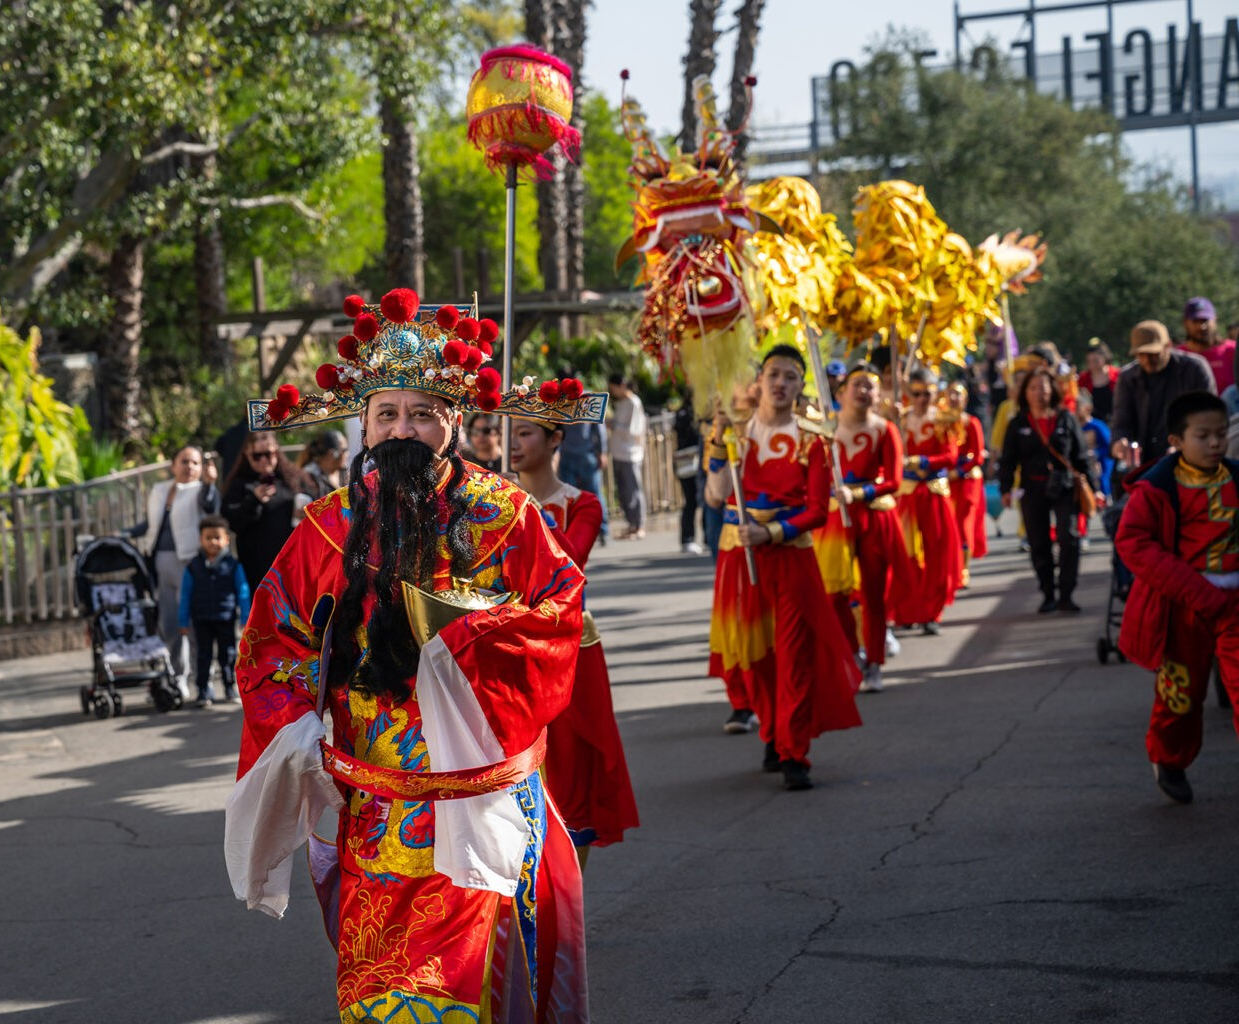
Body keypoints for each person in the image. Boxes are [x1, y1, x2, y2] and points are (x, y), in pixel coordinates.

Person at [225, 289, 597, 1022]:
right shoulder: (328, 528)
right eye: (387, 414)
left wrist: (471, 638)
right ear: (362, 424)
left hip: (482, 801)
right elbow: (271, 644)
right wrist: (300, 726)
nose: (404, 429)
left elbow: (562, 612)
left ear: (453, 423)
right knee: (383, 992)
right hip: (377, 809)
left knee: (474, 991)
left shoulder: (508, 516)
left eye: (422, 413)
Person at [705, 344, 862, 790]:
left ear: (800, 385)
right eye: (773, 374)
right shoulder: (735, 431)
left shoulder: (813, 438)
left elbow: (817, 510)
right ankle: (772, 734)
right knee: (754, 658)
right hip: (740, 558)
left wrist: (772, 533)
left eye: (790, 376)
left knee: (793, 656)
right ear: (759, 382)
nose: (779, 383)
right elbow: (717, 495)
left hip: (789, 558)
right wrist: (717, 445)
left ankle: (795, 752)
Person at [509, 415, 639, 857]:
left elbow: (569, 560)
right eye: (505, 431)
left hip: (571, 651)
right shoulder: (489, 504)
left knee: (572, 776)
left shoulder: (582, 504)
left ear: (555, 439)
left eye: (524, 432)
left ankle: (566, 912)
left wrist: (524, 514)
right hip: (509, 651)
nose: (512, 441)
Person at [1115, 391, 1239, 804]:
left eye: (1221, 434)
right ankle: (1169, 759)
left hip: (1235, 608)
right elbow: (1134, 544)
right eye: (1203, 436)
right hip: (1183, 608)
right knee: (1180, 698)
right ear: (1176, 440)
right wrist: (1198, 592)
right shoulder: (1156, 489)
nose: (1216, 443)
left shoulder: (1236, 477)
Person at [814, 365, 913, 693]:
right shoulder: (824, 431)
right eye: (857, 385)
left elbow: (894, 481)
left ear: (878, 394)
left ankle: (874, 661)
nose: (864, 391)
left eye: (870, 386)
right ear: (841, 392)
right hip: (836, 520)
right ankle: (850, 653)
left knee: (873, 593)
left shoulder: (885, 430)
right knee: (835, 594)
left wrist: (859, 493)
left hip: (874, 517)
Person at [998, 367, 1094, 614]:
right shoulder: (1018, 423)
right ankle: (1048, 593)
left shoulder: (1066, 418)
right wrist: (1006, 488)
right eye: (1033, 388)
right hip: (1033, 488)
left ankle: (1067, 593)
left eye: (1043, 387)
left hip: (1064, 486)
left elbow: (1081, 456)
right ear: (1024, 393)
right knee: (1038, 542)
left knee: (1069, 537)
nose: (1039, 392)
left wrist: (1094, 488)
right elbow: (1008, 459)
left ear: (1052, 390)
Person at [137, 444, 220, 695]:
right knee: (170, 623)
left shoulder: (200, 490)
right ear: (173, 465)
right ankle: (178, 678)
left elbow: (210, 508)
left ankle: (203, 679)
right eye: (184, 461)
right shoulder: (160, 489)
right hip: (161, 561)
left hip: (189, 561)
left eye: (195, 462)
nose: (189, 467)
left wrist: (210, 484)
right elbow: (151, 524)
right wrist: (124, 534)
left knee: (193, 623)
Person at [891, 369, 962, 634]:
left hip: (933, 494)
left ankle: (932, 611)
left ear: (936, 393)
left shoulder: (944, 421)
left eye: (927, 393)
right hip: (907, 496)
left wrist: (922, 461)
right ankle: (907, 610)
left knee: (937, 553)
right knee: (906, 554)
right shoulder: (899, 419)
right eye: (917, 393)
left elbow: (951, 457)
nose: (921, 399)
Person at [1111, 319, 1216, 467]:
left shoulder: (1194, 370)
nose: (1147, 360)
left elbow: (1209, 418)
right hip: (1145, 464)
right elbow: (1121, 421)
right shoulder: (1128, 378)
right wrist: (1119, 442)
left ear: (1168, 346)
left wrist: (1185, 446)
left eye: (1153, 354)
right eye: (1141, 354)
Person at [221, 432, 314, 591]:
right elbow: (232, 521)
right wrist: (253, 500)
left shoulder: (293, 479)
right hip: (257, 569)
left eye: (268, 454)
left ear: (276, 452)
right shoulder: (239, 485)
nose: (263, 460)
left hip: (292, 563)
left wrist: (307, 513)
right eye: (257, 456)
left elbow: (316, 503)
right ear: (248, 456)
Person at [177, 514, 250, 708]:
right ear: (201, 540)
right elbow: (185, 595)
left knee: (228, 655)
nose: (213, 542)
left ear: (226, 539)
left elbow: (243, 592)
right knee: (203, 656)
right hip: (201, 619)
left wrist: (245, 617)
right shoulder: (193, 567)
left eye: (217, 537)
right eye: (208, 538)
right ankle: (203, 690)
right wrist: (183, 621)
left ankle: (229, 687)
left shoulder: (233, 566)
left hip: (225, 618)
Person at [943, 381, 989, 587]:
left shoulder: (971, 423)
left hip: (967, 480)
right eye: (950, 393)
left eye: (957, 394)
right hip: (947, 481)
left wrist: (959, 471)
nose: (953, 398)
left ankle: (963, 570)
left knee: (963, 525)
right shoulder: (941, 423)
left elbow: (977, 456)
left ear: (965, 399)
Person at [607, 374, 647, 539]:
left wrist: (614, 425)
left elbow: (634, 430)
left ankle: (639, 525)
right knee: (624, 491)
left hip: (631, 453)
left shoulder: (634, 402)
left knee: (633, 490)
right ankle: (631, 524)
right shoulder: (621, 403)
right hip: (618, 452)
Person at [1177, 296, 1235, 393]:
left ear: (1215, 320)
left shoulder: (1232, 350)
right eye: (1195, 321)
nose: (1202, 326)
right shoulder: (1178, 357)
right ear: (1185, 323)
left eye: (1205, 320)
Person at [672, 394, 704, 554]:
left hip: (703, 461)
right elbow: (684, 431)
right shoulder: (685, 413)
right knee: (690, 501)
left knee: (706, 501)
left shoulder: (706, 412)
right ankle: (687, 539)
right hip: (688, 462)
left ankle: (706, 537)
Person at [297, 429, 349, 498]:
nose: (348, 454)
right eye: (345, 450)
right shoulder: (309, 478)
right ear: (331, 454)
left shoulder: (345, 473)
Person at [1080, 339, 1120, 423]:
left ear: (1104, 357)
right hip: (1093, 425)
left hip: (1116, 422)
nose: (1092, 364)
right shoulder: (1082, 379)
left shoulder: (1118, 375)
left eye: (1095, 360)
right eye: (1089, 361)